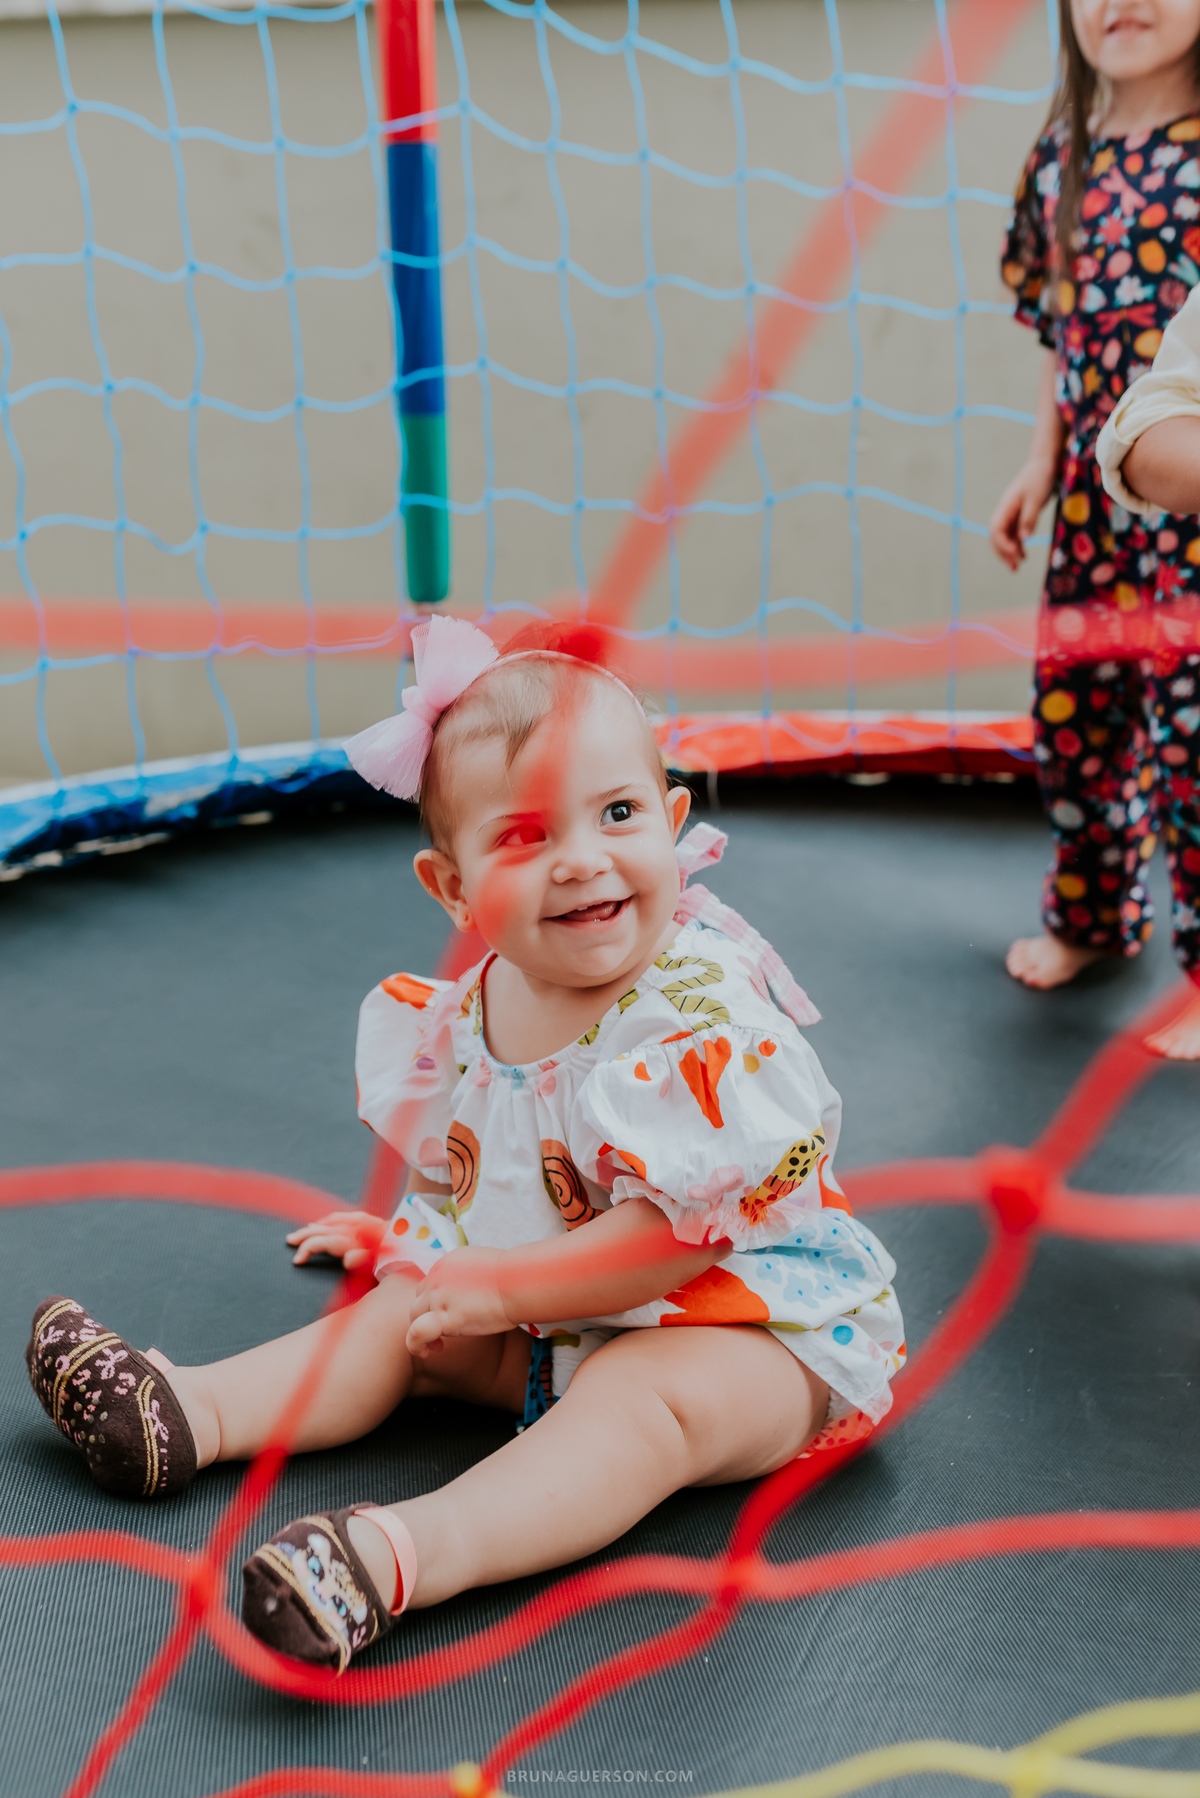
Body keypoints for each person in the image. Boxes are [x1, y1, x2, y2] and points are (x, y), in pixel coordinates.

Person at [26, 615, 905, 1674]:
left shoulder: (703, 1013)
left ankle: (398, 1557)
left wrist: (494, 1284)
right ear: (452, 888)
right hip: (560, 1320)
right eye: (526, 837)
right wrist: (428, 1244)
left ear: (673, 822)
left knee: (640, 1402)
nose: (583, 861)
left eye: (618, 812)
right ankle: (187, 1413)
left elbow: (680, 1244)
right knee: (406, 1311)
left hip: (760, 1335)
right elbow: (475, 1160)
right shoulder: (473, 1009)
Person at [989, 0, 1200, 1058]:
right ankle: (1094, 917)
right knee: (1077, 720)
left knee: (1192, 741)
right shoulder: (1064, 159)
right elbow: (1062, 338)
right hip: (1088, 502)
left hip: (1189, 512)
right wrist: (1039, 460)